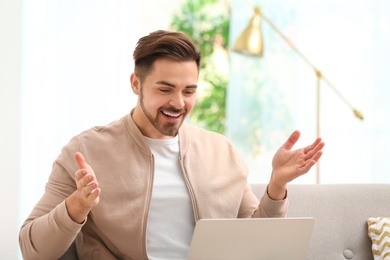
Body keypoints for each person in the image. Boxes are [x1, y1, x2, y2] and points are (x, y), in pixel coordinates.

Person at [19, 30, 325, 260]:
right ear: (136, 84)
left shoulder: (222, 152)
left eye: (189, 90)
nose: (178, 103)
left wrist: (276, 186)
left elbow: (258, 242)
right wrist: (77, 206)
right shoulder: (86, 151)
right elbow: (32, 249)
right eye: (165, 89)